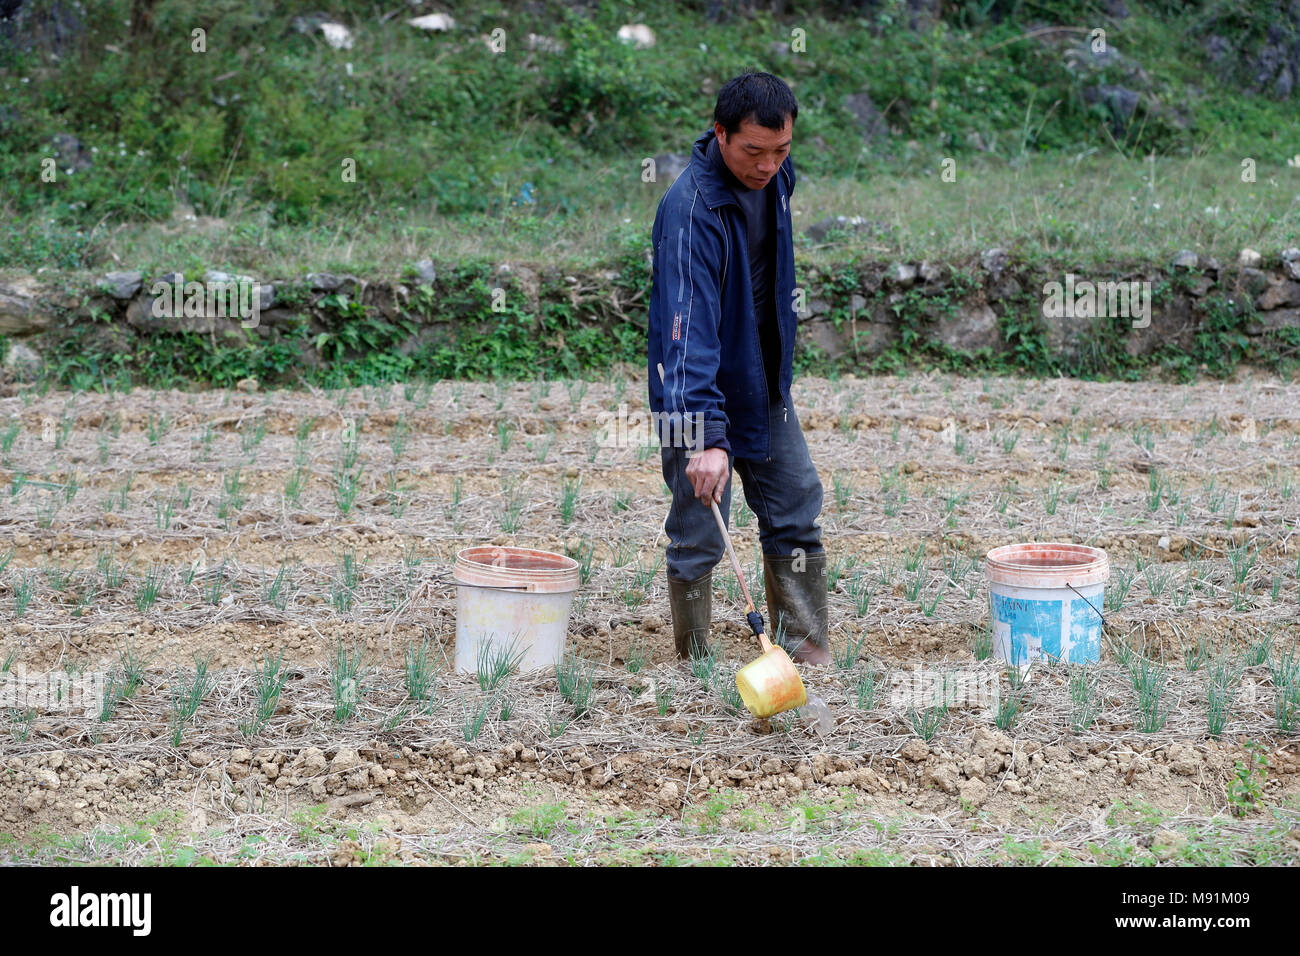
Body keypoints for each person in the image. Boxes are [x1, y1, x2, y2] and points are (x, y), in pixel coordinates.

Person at [647, 71, 829, 667]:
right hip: (695, 394)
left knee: (797, 503)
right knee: (702, 531)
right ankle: (694, 665)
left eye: (781, 151)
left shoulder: (775, 180)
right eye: (753, 150)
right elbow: (684, 331)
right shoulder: (690, 211)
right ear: (720, 134)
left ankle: (805, 649)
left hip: (761, 381)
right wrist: (704, 435)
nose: (768, 165)